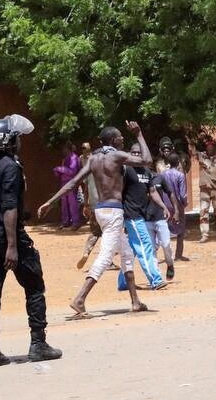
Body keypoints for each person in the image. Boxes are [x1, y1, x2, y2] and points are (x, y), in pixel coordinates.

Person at [37, 122, 152, 317]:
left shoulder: (93, 159)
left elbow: (73, 182)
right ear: (114, 140)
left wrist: (51, 201)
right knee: (106, 257)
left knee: (126, 252)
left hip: (101, 211)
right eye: (121, 138)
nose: (123, 139)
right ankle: (80, 299)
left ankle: (135, 301)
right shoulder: (117, 156)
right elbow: (147, 160)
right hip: (114, 212)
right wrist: (139, 134)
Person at [0, 115, 63, 368]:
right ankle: (38, 344)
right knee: (35, 286)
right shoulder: (11, 167)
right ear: (10, 141)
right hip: (8, 239)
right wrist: (13, 246)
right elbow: (9, 207)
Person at [117, 144, 167, 291]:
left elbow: (152, 192)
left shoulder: (147, 171)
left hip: (141, 215)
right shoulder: (126, 170)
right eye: (134, 153)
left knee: (131, 250)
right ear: (129, 154)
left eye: (139, 153)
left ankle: (123, 282)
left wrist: (163, 206)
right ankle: (155, 279)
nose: (137, 155)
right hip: (131, 215)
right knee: (145, 245)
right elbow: (118, 192)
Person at [140, 153, 176, 282]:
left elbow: (170, 193)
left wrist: (175, 210)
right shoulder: (139, 181)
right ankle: (157, 277)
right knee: (151, 248)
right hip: (146, 218)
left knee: (166, 244)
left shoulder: (159, 178)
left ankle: (170, 264)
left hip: (160, 216)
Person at [160, 150, 189, 263]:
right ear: (178, 162)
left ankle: (167, 255)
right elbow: (182, 194)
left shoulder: (162, 175)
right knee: (180, 230)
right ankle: (178, 254)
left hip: (166, 205)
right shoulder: (180, 175)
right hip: (178, 205)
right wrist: (184, 203)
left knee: (165, 229)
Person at [196, 139, 216, 242]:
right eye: (208, 147)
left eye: (212, 147)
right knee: (203, 211)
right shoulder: (201, 156)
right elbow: (191, 150)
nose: (210, 149)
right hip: (205, 188)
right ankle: (204, 234)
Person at [53, 144, 82, 229]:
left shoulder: (74, 158)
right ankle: (65, 221)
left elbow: (72, 171)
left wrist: (59, 169)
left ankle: (76, 222)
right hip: (64, 183)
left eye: (64, 149)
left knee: (73, 203)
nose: (63, 151)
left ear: (68, 149)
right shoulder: (65, 158)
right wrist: (58, 172)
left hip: (71, 183)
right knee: (64, 204)